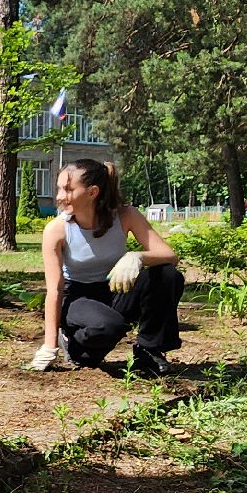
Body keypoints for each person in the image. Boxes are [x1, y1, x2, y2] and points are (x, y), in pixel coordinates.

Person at [27, 159, 184, 377]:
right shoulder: (57, 229)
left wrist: (137, 256)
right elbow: (55, 289)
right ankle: (72, 345)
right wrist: (49, 345)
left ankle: (149, 349)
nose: (60, 196)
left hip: (114, 287)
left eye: (69, 189)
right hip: (76, 297)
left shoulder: (126, 215)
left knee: (167, 275)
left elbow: (170, 255)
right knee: (109, 327)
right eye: (60, 188)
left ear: (92, 192)